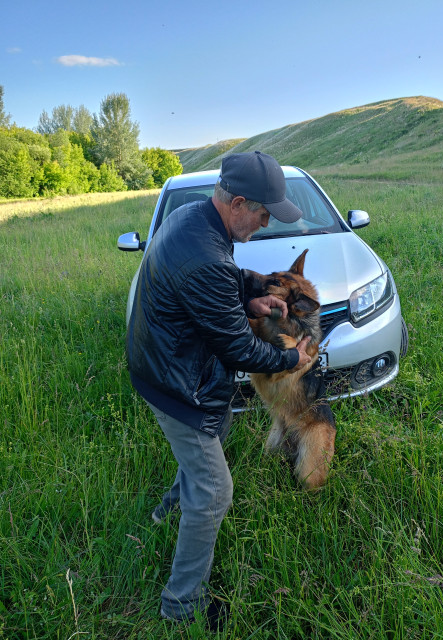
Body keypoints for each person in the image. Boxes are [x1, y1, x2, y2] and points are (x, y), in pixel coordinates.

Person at [126, 150, 312, 628]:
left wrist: (251, 291)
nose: (266, 223)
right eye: (264, 213)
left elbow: (222, 279)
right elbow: (239, 350)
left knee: (219, 429)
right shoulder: (206, 251)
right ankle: (181, 605)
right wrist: (292, 359)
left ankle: (166, 512)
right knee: (214, 493)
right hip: (177, 384)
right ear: (239, 203)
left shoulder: (197, 219)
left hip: (168, 365)